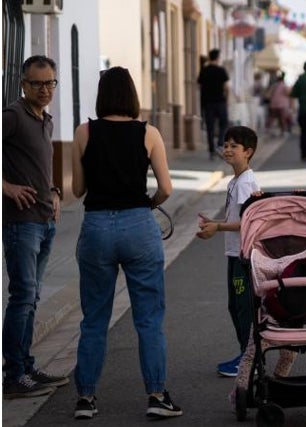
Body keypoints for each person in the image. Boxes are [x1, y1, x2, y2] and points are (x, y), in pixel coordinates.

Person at [70, 66, 182, 419]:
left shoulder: (84, 131)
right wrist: (147, 205)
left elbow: (77, 190)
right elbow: (165, 188)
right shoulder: (149, 133)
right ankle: (157, 394)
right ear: (132, 94)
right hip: (138, 224)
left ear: (102, 95)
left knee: (94, 317)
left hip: (97, 226)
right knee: (148, 317)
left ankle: (86, 399)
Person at [2, 55, 70, 399]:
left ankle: (27, 367)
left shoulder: (46, 119)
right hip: (20, 224)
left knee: (32, 298)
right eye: (37, 83)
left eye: (50, 83)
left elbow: (41, 165)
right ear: (23, 84)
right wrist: (7, 187)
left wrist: (55, 191)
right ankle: (12, 376)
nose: (45, 90)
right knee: (22, 297)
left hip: (44, 222)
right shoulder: (12, 115)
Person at [196, 126, 260, 377]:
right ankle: (246, 353)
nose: (228, 149)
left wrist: (218, 227)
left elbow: (249, 222)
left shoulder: (246, 183)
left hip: (243, 255)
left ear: (248, 152)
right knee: (235, 306)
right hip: (235, 253)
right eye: (226, 144)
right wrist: (213, 223)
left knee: (243, 307)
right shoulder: (236, 180)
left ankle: (249, 358)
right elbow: (236, 215)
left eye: (235, 146)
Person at [197, 48, 230, 160]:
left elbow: (200, 85)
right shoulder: (221, 70)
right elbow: (226, 87)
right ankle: (220, 144)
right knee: (224, 123)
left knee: (210, 127)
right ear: (218, 58)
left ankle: (211, 151)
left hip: (207, 102)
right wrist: (227, 100)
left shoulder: (204, 70)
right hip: (220, 101)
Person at [266, 71, 291, 138]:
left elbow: (268, 94)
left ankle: (268, 129)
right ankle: (283, 132)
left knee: (272, 117)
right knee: (282, 119)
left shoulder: (274, 85)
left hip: (273, 104)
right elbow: (288, 93)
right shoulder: (284, 85)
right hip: (282, 105)